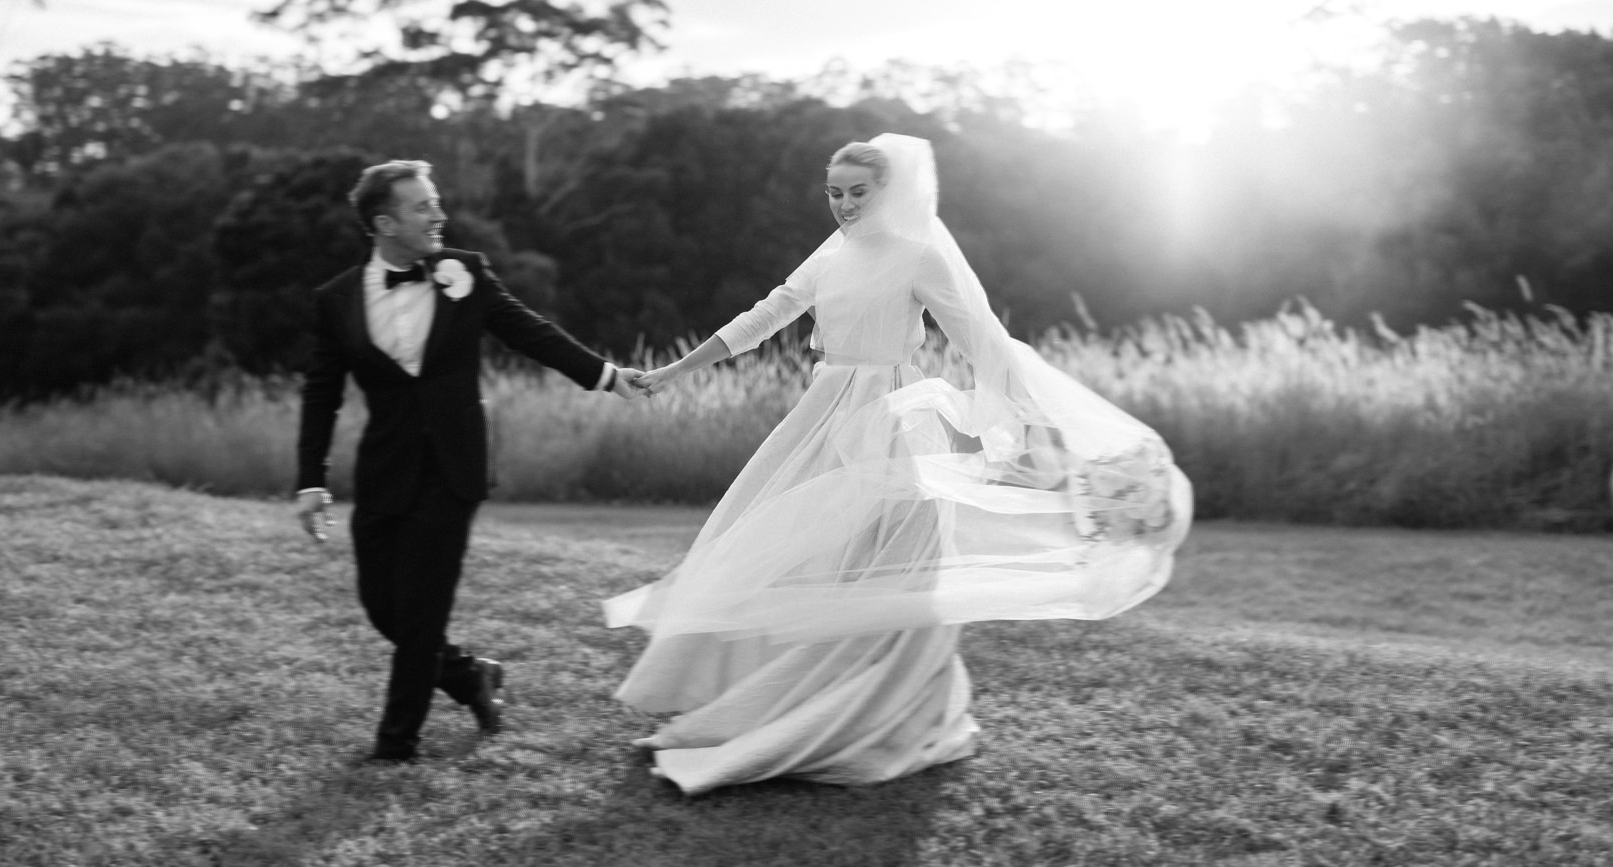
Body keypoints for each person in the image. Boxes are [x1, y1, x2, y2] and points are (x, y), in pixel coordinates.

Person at [606, 133, 1191, 795]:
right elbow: (764, 317)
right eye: (835, 191)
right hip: (826, 414)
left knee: (902, 560)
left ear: (887, 191)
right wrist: (676, 370)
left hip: (894, 414)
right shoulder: (830, 258)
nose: (846, 204)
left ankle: (892, 710)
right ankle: (772, 697)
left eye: (859, 191)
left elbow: (983, 342)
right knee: (796, 549)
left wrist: (1040, 423)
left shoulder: (918, 256)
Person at [296, 159, 645, 763]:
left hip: (453, 467)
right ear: (384, 223)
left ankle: (395, 744)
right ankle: (468, 676)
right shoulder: (335, 300)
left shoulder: (465, 273)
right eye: (423, 207)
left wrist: (608, 376)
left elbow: (529, 331)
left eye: (436, 203)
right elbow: (322, 394)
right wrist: (310, 480)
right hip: (385, 469)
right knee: (384, 608)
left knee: (423, 608)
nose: (440, 216)